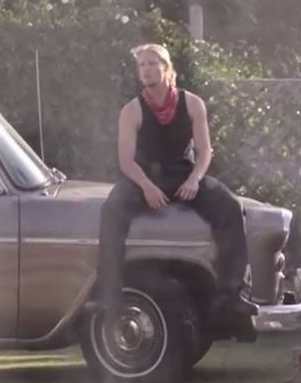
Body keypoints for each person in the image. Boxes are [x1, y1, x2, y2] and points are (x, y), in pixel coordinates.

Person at [91, 43, 257, 322]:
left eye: (152, 63)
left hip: (182, 173)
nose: (146, 70)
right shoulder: (132, 110)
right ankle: (109, 294)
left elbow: (205, 151)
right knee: (112, 209)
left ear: (167, 68)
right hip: (144, 176)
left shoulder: (192, 104)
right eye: (141, 65)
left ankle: (231, 293)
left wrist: (194, 180)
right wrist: (147, 187)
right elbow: (126, 161)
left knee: (229, 206)